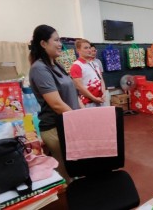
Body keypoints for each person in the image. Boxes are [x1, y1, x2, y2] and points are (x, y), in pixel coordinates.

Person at [29, 25, 80, 183]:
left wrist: (84, 116)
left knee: (76, 167)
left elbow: (73, 93)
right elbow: (57, 104)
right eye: (56, 40)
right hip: (55, 128)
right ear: (43, 44)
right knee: (67, 172)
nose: (60, 44)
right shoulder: (39, 69)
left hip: (69, 123)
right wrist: (80, 120)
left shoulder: (56, 65)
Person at [70, 39, 105, 107]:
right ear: (78, 50)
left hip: (100, 100)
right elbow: (79, 87)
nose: (89, 50)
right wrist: (94, 98)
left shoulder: (95, 64)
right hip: (88, 102)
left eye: (89, 48)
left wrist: (103, 93)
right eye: (86, 48)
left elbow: (101, 79)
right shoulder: (76, 66)